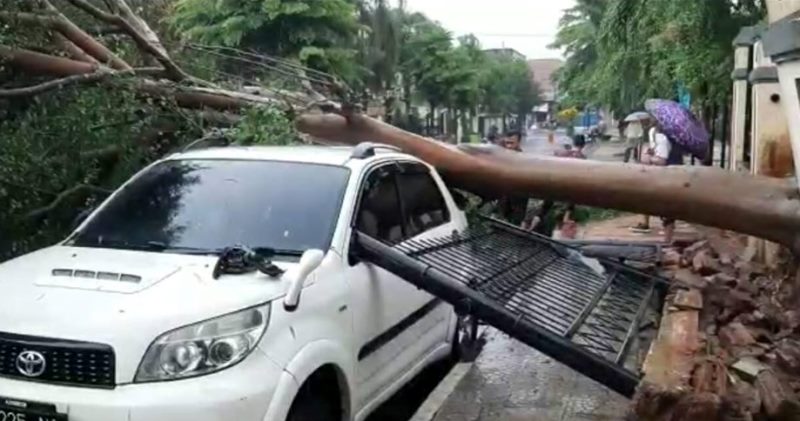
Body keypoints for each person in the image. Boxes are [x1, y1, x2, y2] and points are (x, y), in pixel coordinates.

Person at [526, 134, 587, 238]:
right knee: (563, 221)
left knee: (544, 211)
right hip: (568, 194)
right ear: (583, 145)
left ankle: (533, 227)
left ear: (573, 143)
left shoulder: (563, 153)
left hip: (554, 189)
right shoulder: (582, 158)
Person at [631, 124, 684, 243]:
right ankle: (667, 238)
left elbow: (661, 160)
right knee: (667, 209)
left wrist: (649, 158)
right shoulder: (675, 136)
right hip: (675, 173)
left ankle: (667, 241)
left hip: (666, 176)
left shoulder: (662, 137)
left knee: (666, 209)